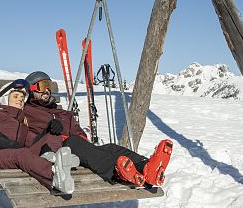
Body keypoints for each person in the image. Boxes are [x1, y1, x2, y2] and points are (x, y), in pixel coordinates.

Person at [23, 71, 173, 188]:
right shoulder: (27, 112)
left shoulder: (63, 114)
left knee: (112, 148)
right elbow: (25, 138)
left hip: (77, 151)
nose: (47, 90)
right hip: (53, 154)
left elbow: (79, 134)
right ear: (31, 90)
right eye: (43, 86)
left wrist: (83, 144)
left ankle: (147, 168)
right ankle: (116, 171)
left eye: (49, 85)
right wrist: (48, 133)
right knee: (73, 142)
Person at [0, 79, 79, 194]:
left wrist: (48, 131)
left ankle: (53, 158)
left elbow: (33, 142)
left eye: (21, 98)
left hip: (15, 155)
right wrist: (11, 145)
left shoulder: (23, 122)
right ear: (5, 98)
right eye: (15, 96)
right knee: (21, 153)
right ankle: (54, 175)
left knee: (53, 135)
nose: (19, 100)